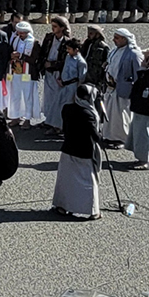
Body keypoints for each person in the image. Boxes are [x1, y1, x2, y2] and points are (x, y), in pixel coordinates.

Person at [54, 83, 105, 219]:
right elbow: (95, 135)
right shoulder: (89, 114)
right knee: (88, 182)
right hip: (85, 151)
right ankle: (92, 210)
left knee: (66, 180)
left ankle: (63, 206)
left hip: (68, 148)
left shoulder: (67, 108)